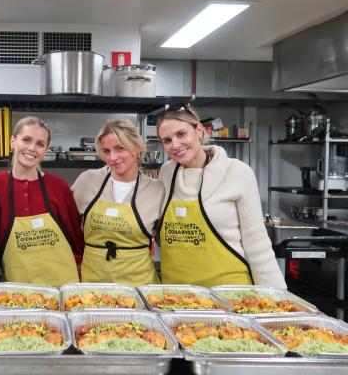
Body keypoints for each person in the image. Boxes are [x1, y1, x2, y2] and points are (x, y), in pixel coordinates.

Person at [156, 105, 286, 288]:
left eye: (181, 134)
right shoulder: (166, 173)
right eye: (167, 140)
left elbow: (257, 242)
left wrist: (277, 297)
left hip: (230, 294)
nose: (175, 145)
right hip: (175, 295)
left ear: (199, 130)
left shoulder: (237, 172)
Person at [0, 116, 83, 286]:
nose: (32, 148)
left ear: (45, 151)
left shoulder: (58, 187)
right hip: (16, 292)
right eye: (26, 140)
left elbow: (76, 238)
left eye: (40, 144)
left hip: (62, 288)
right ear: (13, 142)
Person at [72, 118, 164, 286]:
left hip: (140, 286)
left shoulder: (157, 190)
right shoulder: (87, 181)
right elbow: (67, 227)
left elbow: (166, 242)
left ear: (138, 147)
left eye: (120, 148)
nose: (112, 157)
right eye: (106, 151)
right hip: (92, 287)